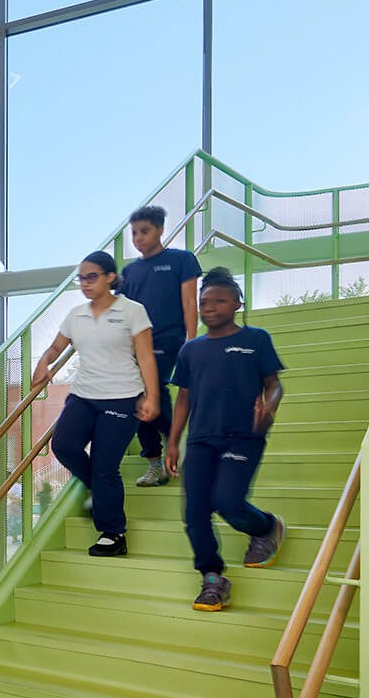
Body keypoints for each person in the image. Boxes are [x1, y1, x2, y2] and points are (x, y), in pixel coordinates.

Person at [167, 268, 288, 612]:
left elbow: (274, 383)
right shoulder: (191, 350)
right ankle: (212, 578)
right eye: (204, 302)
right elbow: (183, 399)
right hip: (201, 441)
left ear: (237, 303)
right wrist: (173, 442)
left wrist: (270, 406)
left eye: (219, 301)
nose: (209, 307)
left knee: (228, 501)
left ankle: (266, 527)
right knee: (194, 512)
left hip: (244, 437)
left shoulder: (256, 339)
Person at [32, 251, 159, 557]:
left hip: (123, 395)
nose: (85, 284)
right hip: (85, 394)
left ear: (110, 277)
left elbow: (145, 356)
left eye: (92, 277)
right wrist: (43, 362)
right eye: (81, 278)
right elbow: (56, 347)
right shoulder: (76, 315)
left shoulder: (133, 311)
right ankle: (99, 491)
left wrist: (152, 396)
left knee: (105, 465)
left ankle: (113, 533)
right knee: (63, 446)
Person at [120, 205, 201, 489]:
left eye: (145, 231)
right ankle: (156, 458)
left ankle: (172, 440)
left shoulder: (181, 260)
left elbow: (190, 302)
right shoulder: (129, 272)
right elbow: (122, 313)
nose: (138, 238)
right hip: (135, 344)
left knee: (151, 389)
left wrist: (192, 341)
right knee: (137, 397)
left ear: (161, 230)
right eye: (134, 233)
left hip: (168, 338)